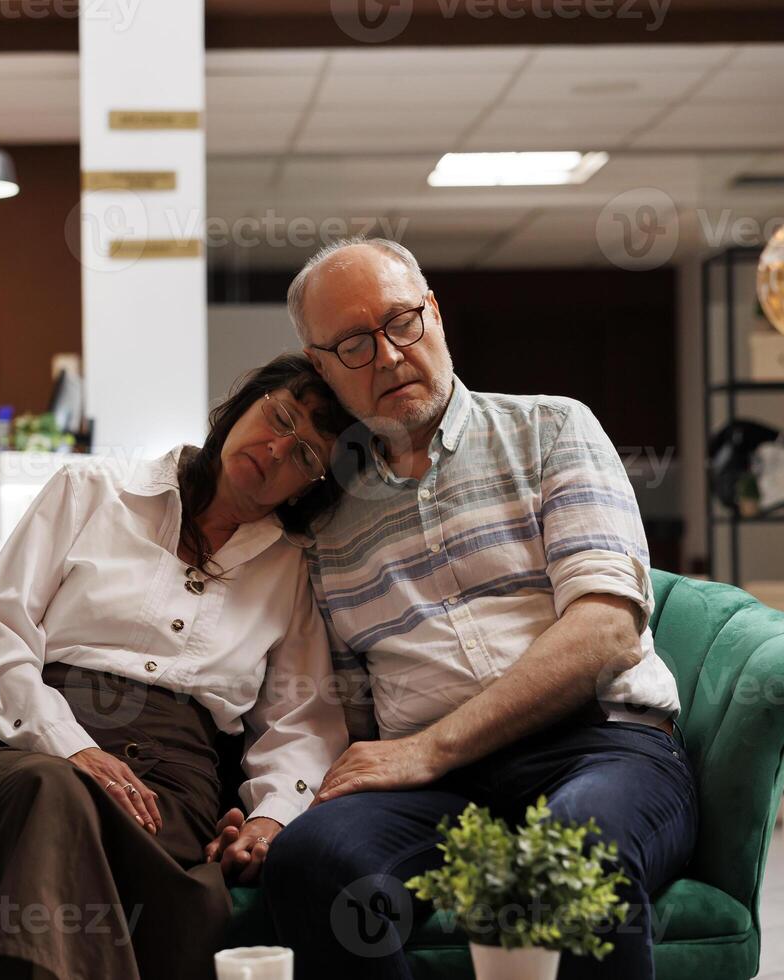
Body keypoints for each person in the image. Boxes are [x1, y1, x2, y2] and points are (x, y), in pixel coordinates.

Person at [262, 238, 695, 980]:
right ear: (321, 367)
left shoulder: (552, 429)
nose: (391, 357)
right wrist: (278, 804)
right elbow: (347, 711)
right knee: (313, 860)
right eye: (355, 345)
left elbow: (607, 630)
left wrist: (430, 748)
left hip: (596, 750)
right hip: (437, 795)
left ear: (434, 312)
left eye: (403, 323)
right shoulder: (325, 528)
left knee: (573, 849)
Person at [0, 354, 354, 980]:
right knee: (52, 792)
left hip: (168, 794)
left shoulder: (291, 567)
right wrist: (70, 747)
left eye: (305, 456)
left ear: (309, 487)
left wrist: (269, 817)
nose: (275, 450)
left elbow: (302, 720)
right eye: (280, 417)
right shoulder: (88, 491)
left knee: (69, 812)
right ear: (245, 402)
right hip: (26, 751)